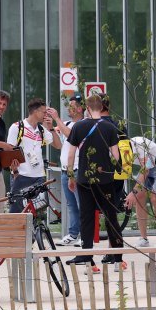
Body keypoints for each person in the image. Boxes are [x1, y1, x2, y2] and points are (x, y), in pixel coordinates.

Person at [65, 93, 128, 271]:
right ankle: (117, 260)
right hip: (106, 179)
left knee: (86, 218)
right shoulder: (110, 128)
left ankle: (88, 261)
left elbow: (71, 154)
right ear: (101, 108)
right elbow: (115, 154)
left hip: (84, 178)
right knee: (111, 217)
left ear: (86, 107)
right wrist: (117, 171)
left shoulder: (79, 127)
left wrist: (71, 176)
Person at [7, 99, 62, 212]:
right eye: (44, 112)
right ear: (36, 112)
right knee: (18, 212)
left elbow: (58, 145)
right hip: (21, 175)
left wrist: (51, 127)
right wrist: (15, 173)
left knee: (37, 212)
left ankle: (36, 230)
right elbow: (9, 151)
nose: (46, 115)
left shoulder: (41, 129)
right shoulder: (17, 127)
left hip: (39, 177)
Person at [124, 135, 156, 247]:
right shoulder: (117, 150)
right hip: (147, 168)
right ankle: (143, 238)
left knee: (155, 199)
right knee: (139, 197)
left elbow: (145, 171)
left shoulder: (138, 143)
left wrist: (132, 192)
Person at [54, 94, 87, 245]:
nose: (69, 109)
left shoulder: (84, 124)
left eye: (72, 106)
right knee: (71, 205)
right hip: (65, 170)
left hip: (77, 169)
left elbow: (71, 135)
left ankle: (85, 236)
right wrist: (51, 127)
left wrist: (56, 118)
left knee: (82, 204)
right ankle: (73, 234)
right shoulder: (67, 123)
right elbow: (59, 144)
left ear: (80, 108)